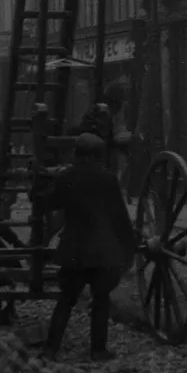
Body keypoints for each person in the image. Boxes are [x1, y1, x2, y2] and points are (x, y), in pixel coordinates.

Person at [40, 132, 136, 361]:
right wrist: (129, 246)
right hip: (102, 251)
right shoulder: (108, 179)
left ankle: (51, 349)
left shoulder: (66, 177)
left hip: (74, 250)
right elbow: (119, 217)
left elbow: (49, 202)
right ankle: (98, 350)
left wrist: (38, 186)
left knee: (66, 300)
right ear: (98, 154)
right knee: (101, 299)